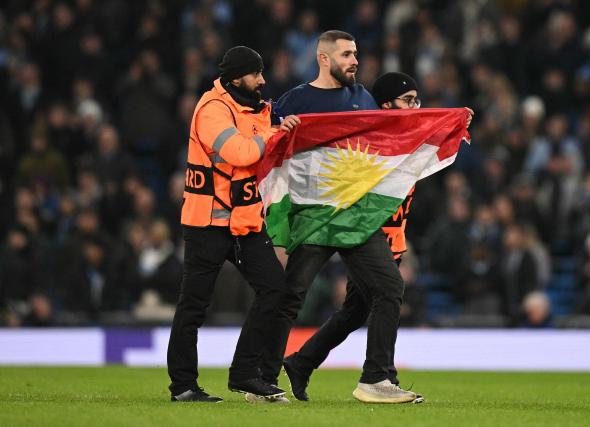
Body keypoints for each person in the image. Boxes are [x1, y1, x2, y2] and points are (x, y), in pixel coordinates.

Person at [281, 72, 472, 402]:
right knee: (389, 290)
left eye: (417, 100)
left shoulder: (406, 137)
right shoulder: (370, 142)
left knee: (355, 310)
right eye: (408, 100)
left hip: (391, 237)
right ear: (386, 105)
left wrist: (453, 123)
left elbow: (433, 144)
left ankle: (302, 362)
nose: (415, 106)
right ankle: (378, 376)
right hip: (367, 235)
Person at [266, 31, 419, 404]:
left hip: (353, 217)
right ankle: (264, 376)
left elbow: (381, 145)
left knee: (387, 290)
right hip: (315, 216)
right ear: (324, 58)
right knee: (291, 296)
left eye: (356, 54)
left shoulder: (363, 98)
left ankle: (376, 378)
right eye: (347, 54)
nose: (354, 60)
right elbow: (267, 148)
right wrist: (277, 133)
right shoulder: (295, 100)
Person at [167, 46, 300, 403]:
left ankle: (244, 376)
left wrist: (277, 129)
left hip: (243, 222)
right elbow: (240, 153)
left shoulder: (254, 110)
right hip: (207, 222)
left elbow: (263, 140)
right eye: (256, 74)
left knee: (274, 289)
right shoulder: (212, 109)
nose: (263, 80)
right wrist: (272, 133)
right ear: (237, 77)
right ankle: (182, 386)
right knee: (194, 304)